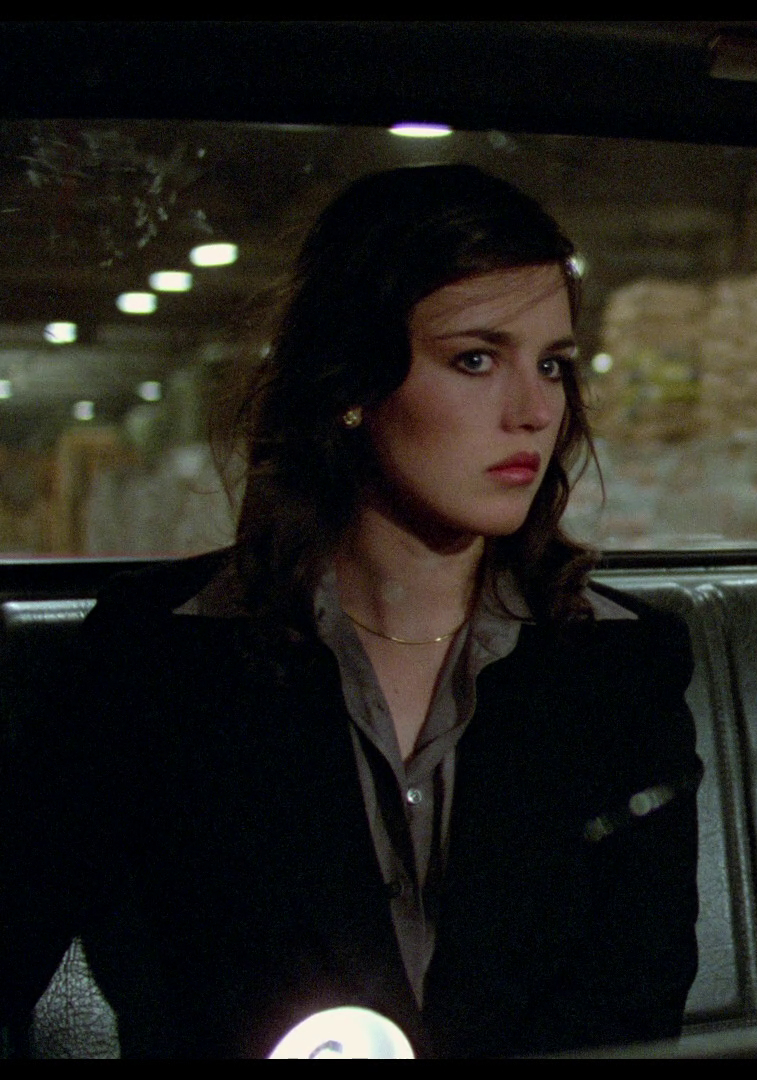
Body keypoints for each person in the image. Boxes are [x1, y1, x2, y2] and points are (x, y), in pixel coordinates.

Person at [1, 165, 700, 1057]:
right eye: (476, 359)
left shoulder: (621, 665)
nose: (534, 411)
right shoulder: (155, 653)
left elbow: (635, 1003)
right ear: (352, 383)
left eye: (553, 365)